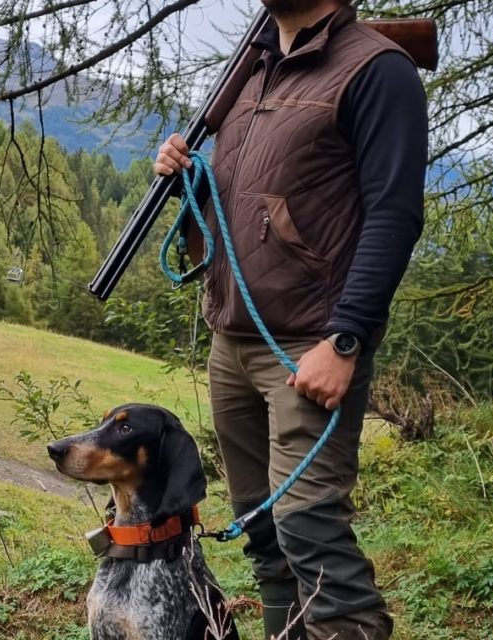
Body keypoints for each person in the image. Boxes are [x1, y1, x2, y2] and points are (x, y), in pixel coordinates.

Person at [152, 0, 428, 637]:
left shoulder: (377, 69)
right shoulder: (253, 73)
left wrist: (347, 338)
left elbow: (395, 214)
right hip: (233, 339)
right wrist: (189, 178)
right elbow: (246, 204)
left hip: (309, 344)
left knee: (309, 528)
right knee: (263, 532)